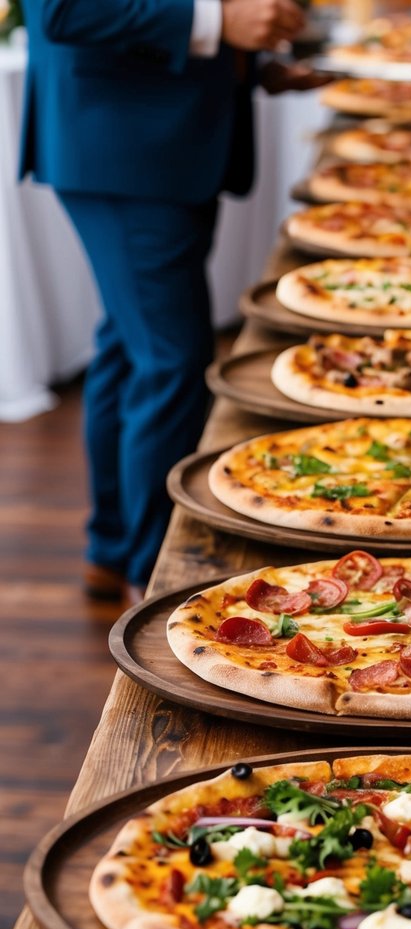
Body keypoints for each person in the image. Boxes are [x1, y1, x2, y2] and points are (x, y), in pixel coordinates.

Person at [19, 0, 320, 603]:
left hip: (156, 132)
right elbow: (63, 11)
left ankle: (115, 550)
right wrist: (218, 23)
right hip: (125, 138)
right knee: (169, 360)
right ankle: (154, 575)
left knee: (130, 348)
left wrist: (248, 58)